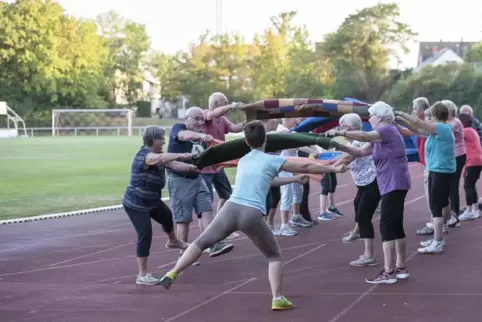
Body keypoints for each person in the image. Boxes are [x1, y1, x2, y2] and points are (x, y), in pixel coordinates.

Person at [158, 120, 347, 311]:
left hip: (230, 209)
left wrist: (294, 179)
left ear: (246, 142)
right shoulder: (272, 160)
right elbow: (306, 167)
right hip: (251, 214)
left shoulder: (244, 160)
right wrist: (333, 168)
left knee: (200, 243)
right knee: (273, 256)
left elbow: (268, 180)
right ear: (266, 139)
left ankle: (173, 272)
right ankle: (277, 298)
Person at [328, 101, 411, 284]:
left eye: (371, 116)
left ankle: (389, 272)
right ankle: (401, 267)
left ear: (380, 117)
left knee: (387, 226)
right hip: (392, 182)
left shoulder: (386, 130)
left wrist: (341, 132)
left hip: (393, 182)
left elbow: (364, 136)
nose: (369, 119)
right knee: (395, 225)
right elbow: (358, 151)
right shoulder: (381, 136)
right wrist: (338, 144)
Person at [122, 126, 192, 285]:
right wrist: (182, 154)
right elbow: (160, 160)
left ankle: (173, 241)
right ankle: (142, 275)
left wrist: (193, 167)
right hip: (136, 203)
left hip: (152, 201)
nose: (164, 141)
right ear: (153, 140)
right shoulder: (144, 156)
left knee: (167, 217)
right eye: (162, 138)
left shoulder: (160, 155)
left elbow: (174, 165)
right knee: (145, 234)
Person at [167, 106, 234, 265]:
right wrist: (202, 136)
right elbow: (183, 136)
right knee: (183, 219)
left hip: (197, 179)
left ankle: (213, 244)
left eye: (201, 119)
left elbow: (204, 159)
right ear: (186, 118)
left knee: (206, 210)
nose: (199, 122)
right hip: (179, 179)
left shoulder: (202, 139)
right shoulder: (179, 128)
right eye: (195, 118)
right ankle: (183, 255)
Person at [396, 102, 454, 254]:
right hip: (437, 170)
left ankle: (438, 241)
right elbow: (416, 129)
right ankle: (437, 237)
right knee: (438, 205)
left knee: (435, 207)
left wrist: (401, 113)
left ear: (435, 115)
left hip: (440, 171)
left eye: (430, 115)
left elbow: (417, 122)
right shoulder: (436, 130)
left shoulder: (442, 128)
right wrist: (400, 122)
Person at [331, 114, 380, 266]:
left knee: (364, 216)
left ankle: (369, 255)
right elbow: (343, 156)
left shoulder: (359, 142)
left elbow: (347, 158)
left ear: (351, 127)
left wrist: (326, 168)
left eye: (343, 126)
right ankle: (356, 232)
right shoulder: (354, 141)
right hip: (364, 183)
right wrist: (328, 164)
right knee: (357, 204)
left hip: (372, 181)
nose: (341, 129)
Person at [201, 92, 245, 240]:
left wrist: (247, 124)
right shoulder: (206, 115)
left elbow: (235, 128)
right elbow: (213, 114)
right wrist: (231, 106)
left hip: (218, 166)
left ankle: (219, 226)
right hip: (205, 167)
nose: (226, 106)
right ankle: (209, 235)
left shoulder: (223, 119)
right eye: (224, 103)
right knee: (206, 202)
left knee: (226, 195)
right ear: (217, 104)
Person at [275, 118, 320, 236]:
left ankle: (296, 217)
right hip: (284, 165)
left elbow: (301, 143)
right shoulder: (281, 130)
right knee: (287, 193)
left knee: (298, 191)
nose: (296, 121)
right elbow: (296, 143)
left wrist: (314, 149)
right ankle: (284, 225)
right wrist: (312, 151)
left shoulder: (293, 131)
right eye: (293, 119)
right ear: (286, 119)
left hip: (294, 164)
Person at [443, 100, 466, 228]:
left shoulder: (455, 123)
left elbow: (444, 132)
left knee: (453, 185)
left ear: (450, 110)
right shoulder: (447, 122)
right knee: (449, 185)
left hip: (458, 155)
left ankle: (455, 215)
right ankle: (451, 214)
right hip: (451, 156)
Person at [458, 113, 482, 220]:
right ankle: (474, 209)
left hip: (473, 161)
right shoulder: (472, 131)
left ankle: (471, 210)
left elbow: (453, 135)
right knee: (470, 185)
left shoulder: (466, 131)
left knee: (468, 186)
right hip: (475, 160)